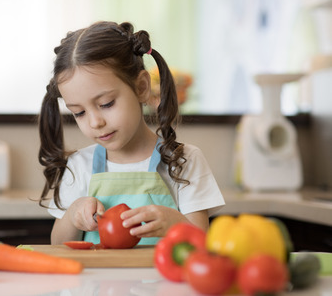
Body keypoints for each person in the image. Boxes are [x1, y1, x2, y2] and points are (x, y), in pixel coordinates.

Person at [38, 21, 224, 245]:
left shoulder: (184, 161)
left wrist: (176, 224)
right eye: (79, 113)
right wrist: (73, 215)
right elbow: (58, 245)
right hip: (96, 281)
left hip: (164, 280)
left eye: (106, 104)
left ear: (142, 88)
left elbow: (201, 245)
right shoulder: (78, 167)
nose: (95, 122)